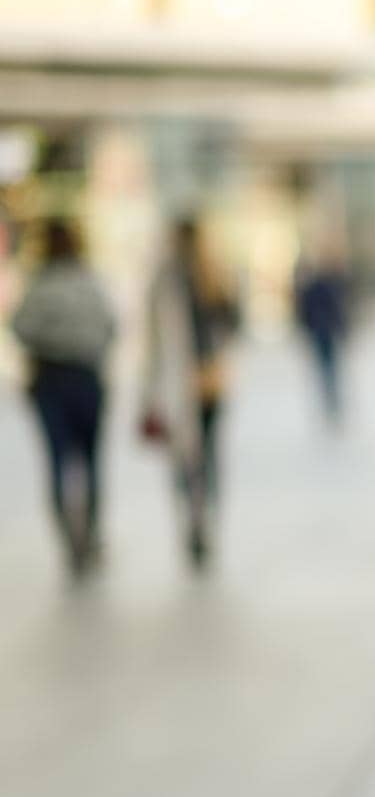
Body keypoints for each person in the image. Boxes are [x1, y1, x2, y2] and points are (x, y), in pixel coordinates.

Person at [8, 217, 117, 577]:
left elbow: (20, 327)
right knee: (90, 460)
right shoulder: (90, 281)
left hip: (51, 377)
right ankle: (92, 533)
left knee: (57, 461)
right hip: (86, 376)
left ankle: (69, 540)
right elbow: (111, 326)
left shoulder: (39, 285)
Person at [139, 216, 241, 569]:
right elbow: (233, 322)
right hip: (209, 377)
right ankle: (203, 516)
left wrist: (149, 386)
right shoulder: (211, 272)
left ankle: (195, 516)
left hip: (183, 380)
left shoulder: (168, 277)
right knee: (207, 454)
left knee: (186, 456)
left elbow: (153, 338)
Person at [292, 237, 354, 427]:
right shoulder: (319, 284)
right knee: (327, 371)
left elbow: (335, 308)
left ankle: (333, 406)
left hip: (324, 332)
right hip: (321, 333)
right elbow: (308, 310)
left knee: (329, 371)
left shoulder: (325, 282)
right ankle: (331, 406)